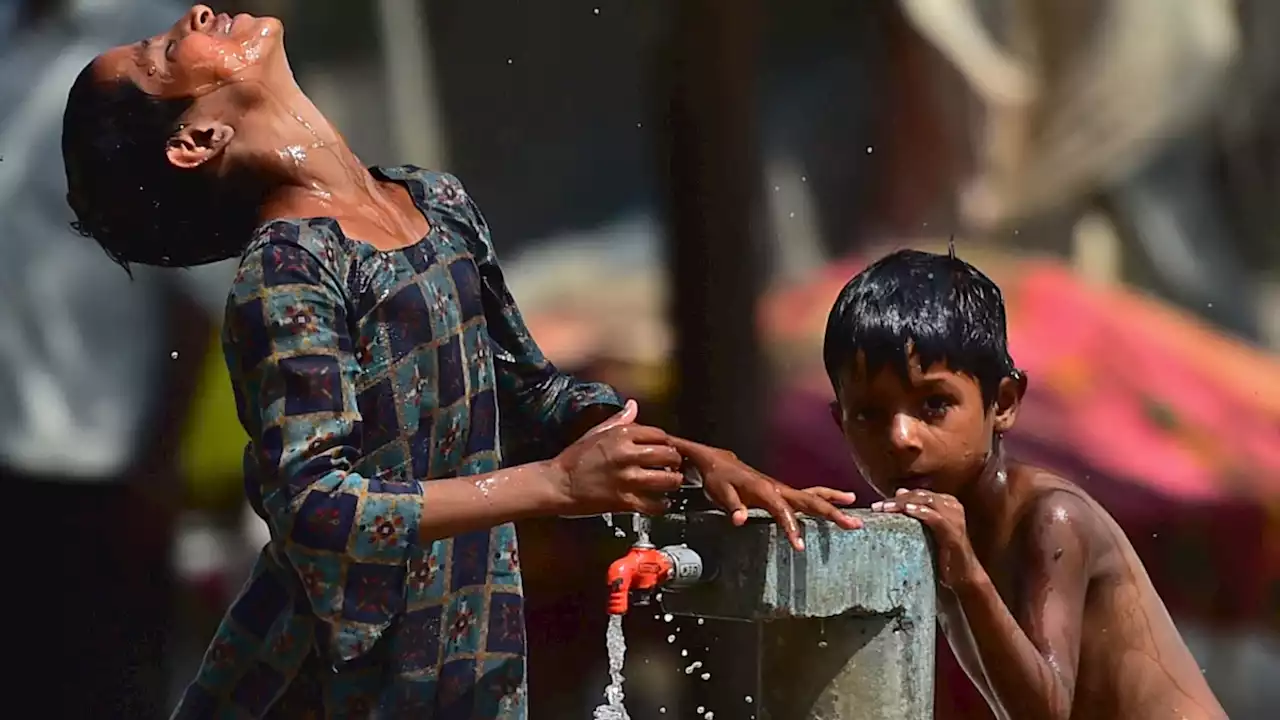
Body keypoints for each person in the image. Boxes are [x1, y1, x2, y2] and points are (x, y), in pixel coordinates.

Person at [60, 6, 859, 717]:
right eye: (164, 55)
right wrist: (553, 487)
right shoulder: (287, 272)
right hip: (332, 682)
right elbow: (316, 510)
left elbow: (528, 393)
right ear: (197, 140)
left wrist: (692, 459)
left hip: (467, 662)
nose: (197, 13)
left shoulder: (433, 205)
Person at [822, 248, 1227, 720]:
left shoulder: (1051, 519)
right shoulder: (935, 528)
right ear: (840, 423)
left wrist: (969, 575)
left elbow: (1044, 713)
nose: (901, 438)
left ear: (1005, 403)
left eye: (933, 404)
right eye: (868, 414)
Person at [3, 1, 237, 718]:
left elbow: (195, 287)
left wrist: (156, 463)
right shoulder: (13, 45)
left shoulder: (152, 47)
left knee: (104, 694)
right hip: (8, 469)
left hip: (103, 471)